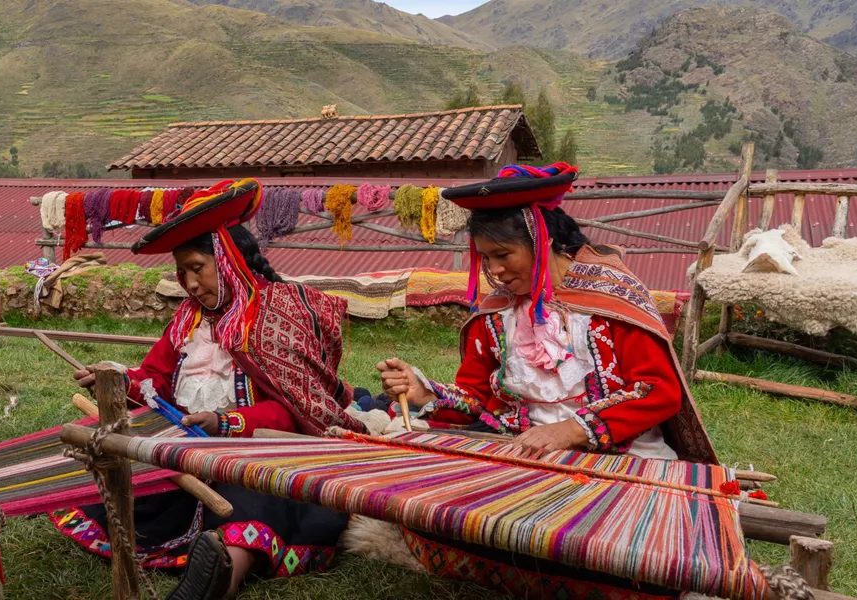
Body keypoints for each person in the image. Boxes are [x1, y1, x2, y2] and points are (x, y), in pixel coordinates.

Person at [375, 163, 718, 599]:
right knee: (434, 506)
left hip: (622, 456)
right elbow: (479, 398)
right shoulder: (496, 313)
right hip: (523, 452)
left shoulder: (612, 296)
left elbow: (659, 391)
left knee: (622, 546)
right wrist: (424, 392)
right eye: (485, 258)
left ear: (542, 241)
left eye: (504, 255)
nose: (494, 270)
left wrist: (569, 431)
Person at [58, 179, 366, 600]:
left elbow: (298, 410)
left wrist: (227, 423)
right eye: (181, 271)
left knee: (255, 500)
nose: (189, 283)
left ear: (229, 260)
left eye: (196, 267)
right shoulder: (188, 320)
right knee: (117, 476)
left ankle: (222, 572)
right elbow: (156, 380)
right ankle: (209, 555)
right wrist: (118, 383)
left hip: (263, 453)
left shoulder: (277, 315)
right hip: (189, 452)